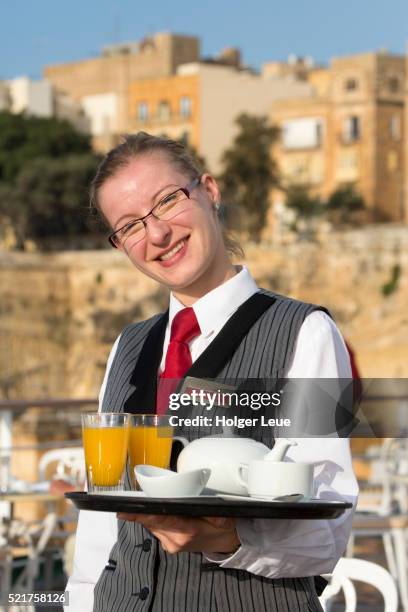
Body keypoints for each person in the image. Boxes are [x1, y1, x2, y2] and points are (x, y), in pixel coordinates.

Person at [67, 132, 358, 612]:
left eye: (166, 201)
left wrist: (227, 540)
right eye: (131, 225)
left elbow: (330, 532)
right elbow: (101, 531)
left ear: (209, 190)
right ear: (120, 245)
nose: (157, 234)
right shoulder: (128, 345)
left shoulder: (306, 332)